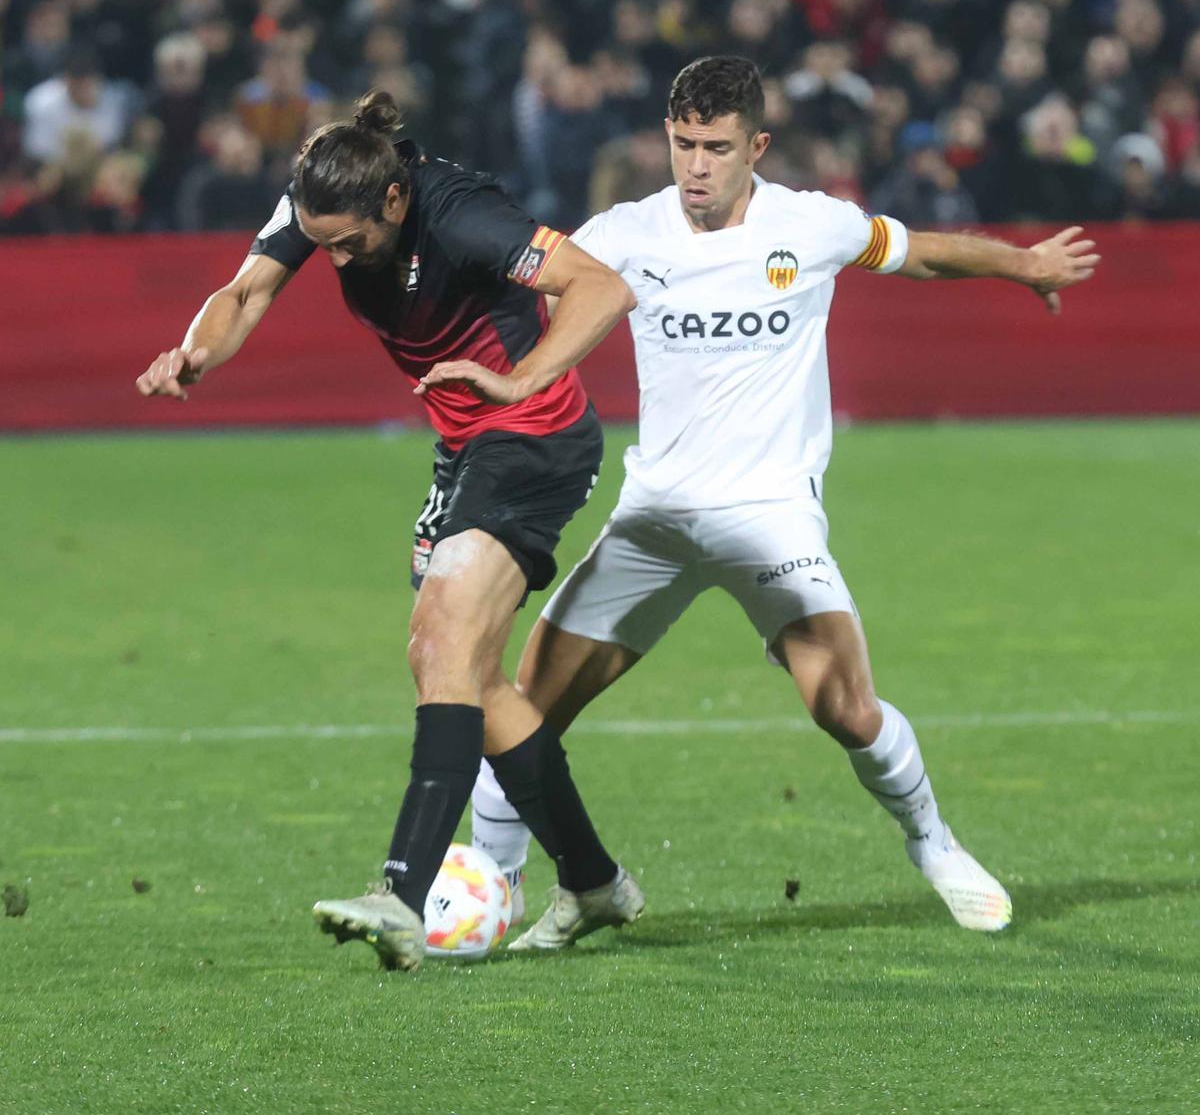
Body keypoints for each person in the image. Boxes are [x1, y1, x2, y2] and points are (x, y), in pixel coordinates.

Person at [471, 55, 1099, 947]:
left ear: (756, 146)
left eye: (716, 148)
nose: (695, 166)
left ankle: (933, 842)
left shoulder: (813, 227)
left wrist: (1021, 263)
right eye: (683, 144)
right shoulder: (622, 234)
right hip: (654, 518)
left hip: (769, 516)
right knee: (525, 710)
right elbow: (514, 271)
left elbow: (921, 254)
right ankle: (508, 887)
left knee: (845, 707)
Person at [134, 91, 642, 972]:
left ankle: (402, 895)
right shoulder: (325, 201)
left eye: (347, 244)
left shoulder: (463, 215)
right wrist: (196, 354)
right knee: (465, 673)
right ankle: (595, 882)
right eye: (318, 239)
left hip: (534, 441)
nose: (330, 259)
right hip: (464, 453)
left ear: (395, 202)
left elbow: (603, 287)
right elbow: (247, 288)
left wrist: (520, 380)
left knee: (443, 635)